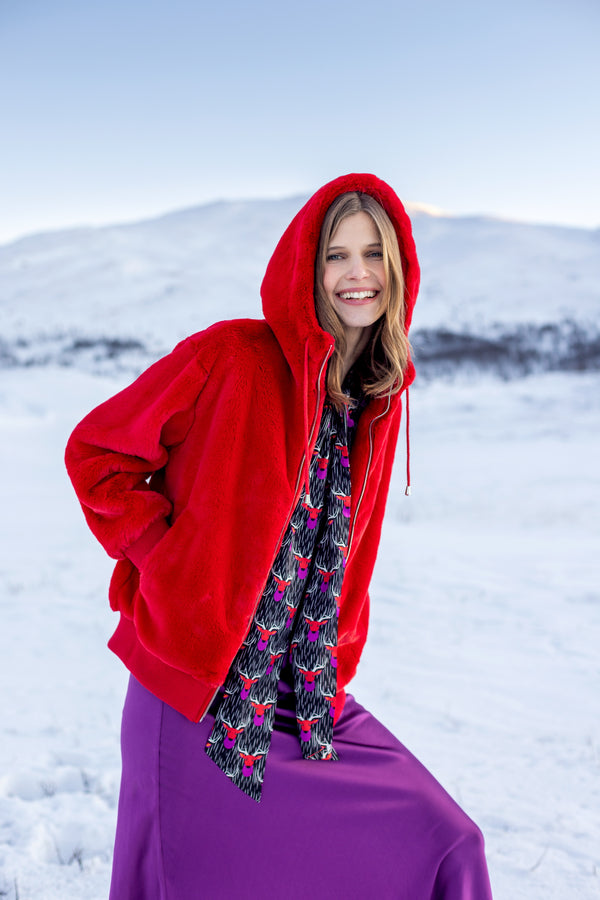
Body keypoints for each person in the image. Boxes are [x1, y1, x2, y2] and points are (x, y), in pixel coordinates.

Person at [65, 173, 493, 899]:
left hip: (308, 700)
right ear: (306, 266)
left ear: (397, 268)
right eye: (335, 255)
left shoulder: (378, 399)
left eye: (372, 254)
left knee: (446, 843)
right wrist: (168, 564)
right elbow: (97, 454)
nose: (356, 274)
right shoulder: (233, 357)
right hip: (195, 702)